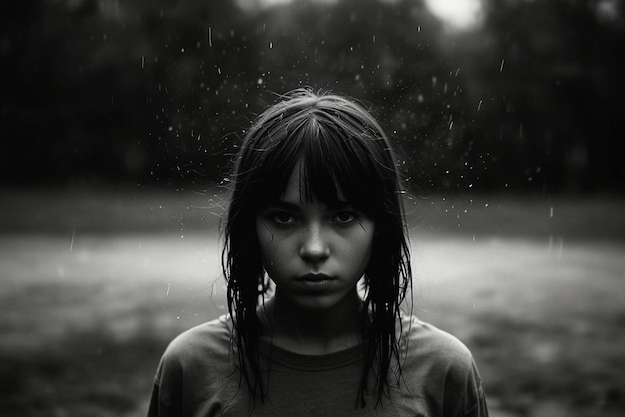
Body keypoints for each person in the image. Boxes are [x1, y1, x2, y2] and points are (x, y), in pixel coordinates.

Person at [147, 89, 489, 416]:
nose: (313, 249)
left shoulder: (442, 371)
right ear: (248, 226)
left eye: (343, 216)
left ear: (380, 227)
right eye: (284, 217)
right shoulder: (191, 367)